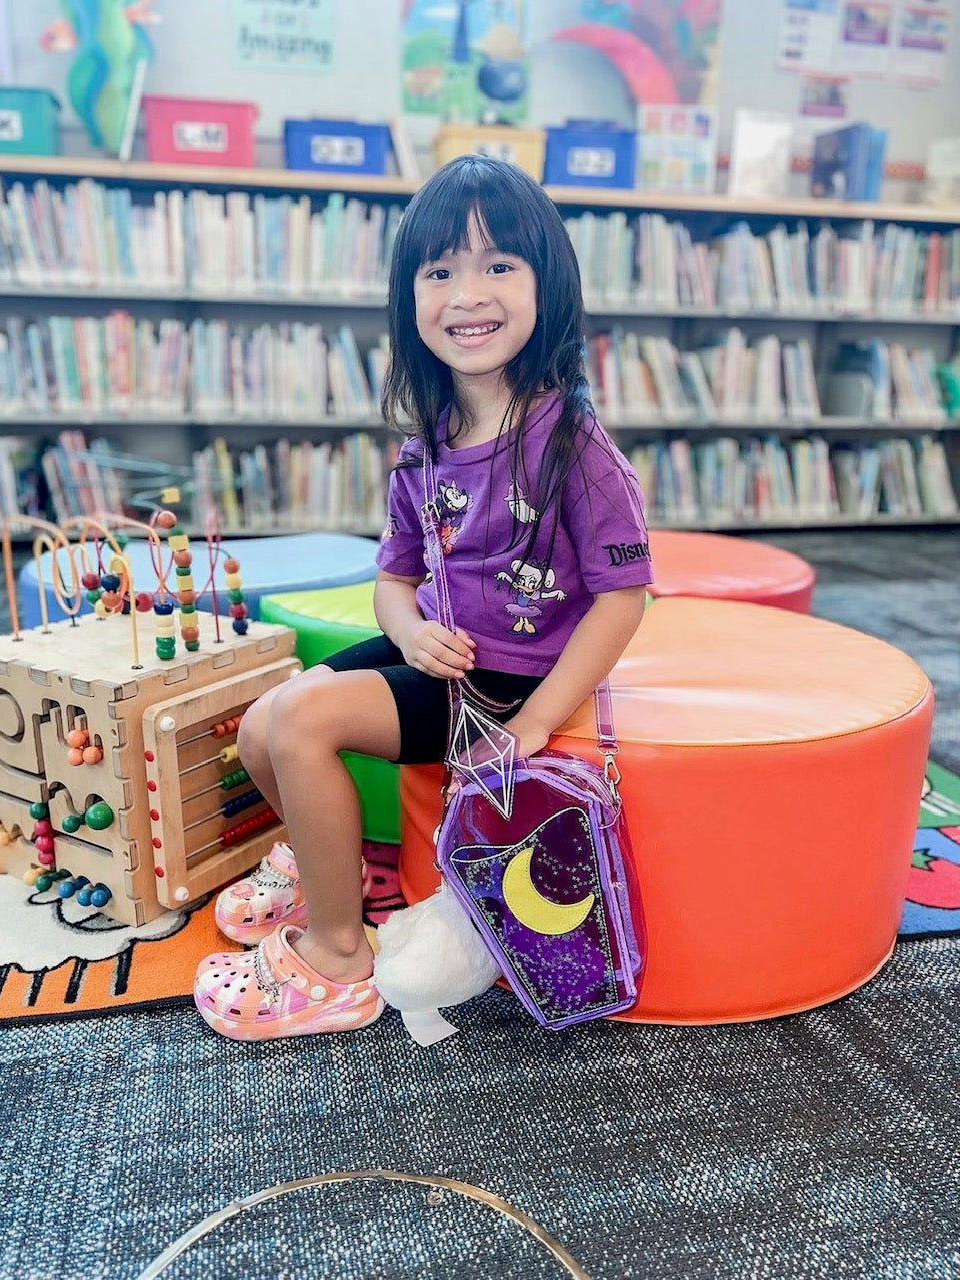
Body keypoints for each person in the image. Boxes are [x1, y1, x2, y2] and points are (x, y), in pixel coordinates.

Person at [193, 155, 654, 1042]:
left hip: (510, 689)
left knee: (302, 722)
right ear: (410, 299)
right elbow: (394, 577)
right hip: (440, 660)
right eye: (437, 270)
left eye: (496, 266)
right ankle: (327, 871)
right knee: (262, 721)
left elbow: (621, 599)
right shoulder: (427, 441)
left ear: (546, 284)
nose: (465, 293)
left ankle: (335, 961)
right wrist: (405, 631)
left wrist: (531, 724)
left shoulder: (575, 447)